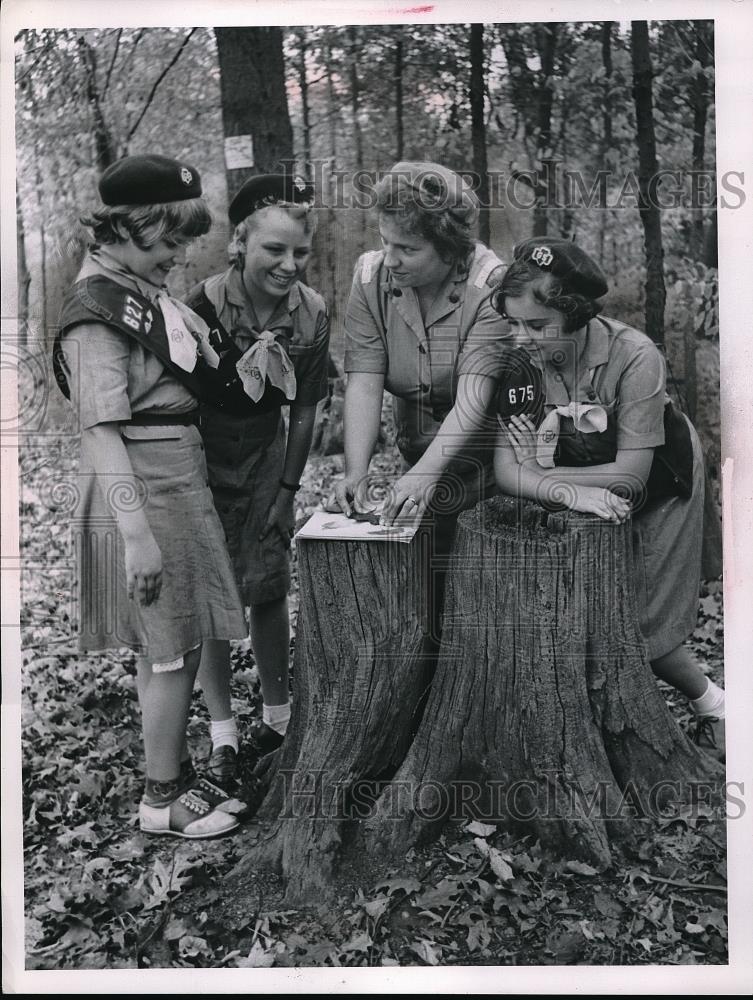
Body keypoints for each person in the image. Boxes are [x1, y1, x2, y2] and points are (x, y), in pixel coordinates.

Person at [54, 154, 250, 838]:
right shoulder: (95, 315)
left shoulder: (132, 286)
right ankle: (162, 798)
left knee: (169, 647)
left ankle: (168, 781)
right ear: (128, 229)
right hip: (142, 487)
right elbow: (102, 433)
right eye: (168, 243)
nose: (177, 256)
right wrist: (136, 537)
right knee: (172, 650)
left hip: (172, 475)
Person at [491, 237, 725, 760]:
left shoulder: (634, 355)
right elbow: (508, 471)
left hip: (662, 484)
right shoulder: (518, 365)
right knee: (596, 609)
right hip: (587, 484)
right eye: (512, 323)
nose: (519, 338)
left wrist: (543, 475)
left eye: (535, 326)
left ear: (573, 314)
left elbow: (634, 473)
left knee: (644, 621)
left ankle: (719, 709)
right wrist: (564, 488)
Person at [185, 174, 330, 789]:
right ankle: (222, 731)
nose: (289, 264)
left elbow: (305, 408)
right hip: (206, 456)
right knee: (214, 594)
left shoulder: (311, 312)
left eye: (300, 251)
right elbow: (184, 396)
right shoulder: (204, 304)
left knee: (268, 582)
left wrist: (288, 490)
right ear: (240, 243)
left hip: (270, 454)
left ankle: (277, 716)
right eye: (275, 249)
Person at [334, 160, 511, 644]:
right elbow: (365, 379)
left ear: (450, 249)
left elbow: (476, 395)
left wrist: (427, 473)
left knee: (482, 603)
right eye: (385, 241)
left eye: (408, 248)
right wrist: (357, 471)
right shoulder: (371, 278)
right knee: (422, 603)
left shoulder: (491, 287)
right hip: (420, 458)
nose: (390, 257)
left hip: (493, 471)